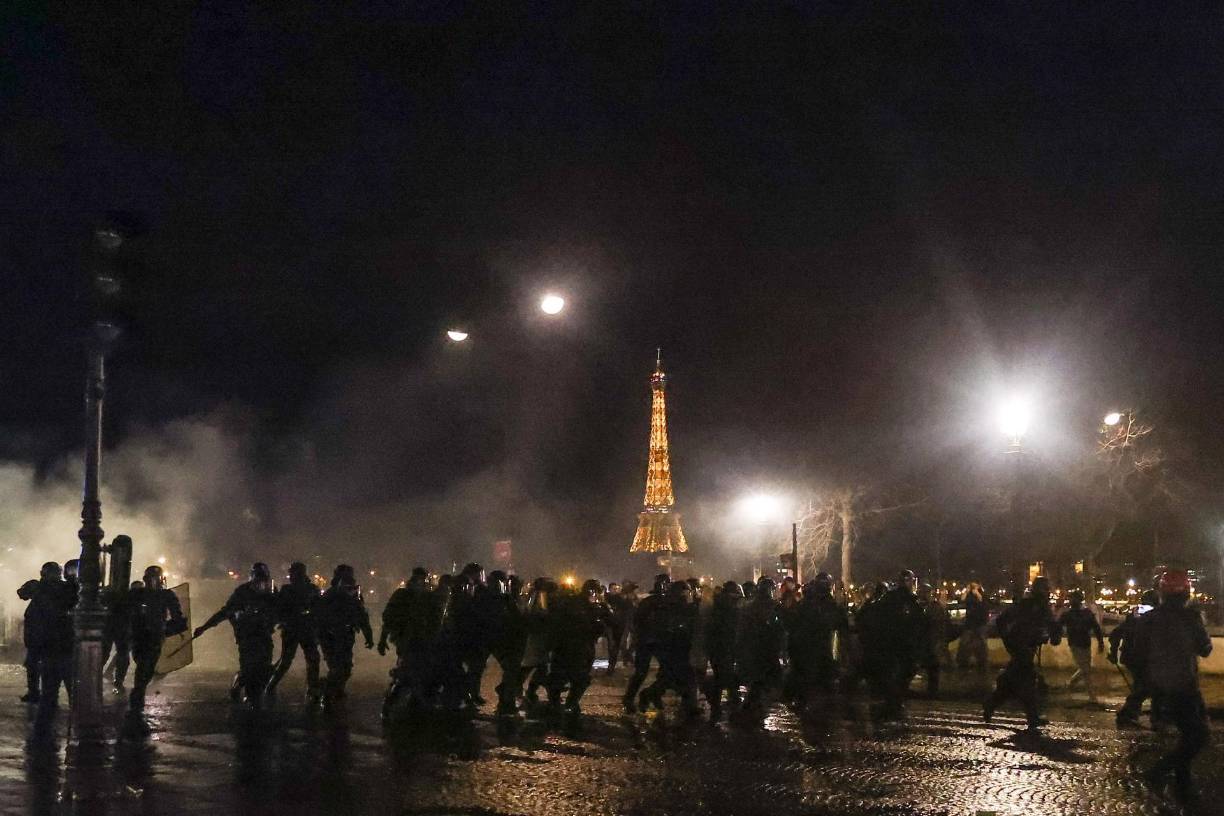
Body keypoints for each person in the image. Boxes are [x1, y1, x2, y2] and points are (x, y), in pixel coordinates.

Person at [1136, 570, 1212, 801]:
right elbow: (1205, 649)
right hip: (1185, 686)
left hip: (1159, 687)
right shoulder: (1191, 617)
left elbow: (1137, 652)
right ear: (1187, 592)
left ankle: (1183, 779)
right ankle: (1158, 771)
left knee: (1188, 732)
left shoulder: (1149, 618)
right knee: (1198, 735)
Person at [195, 562, 279, 708]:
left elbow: (280, 610)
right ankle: (243, 689)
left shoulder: (271, 592)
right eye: (258, 579)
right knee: (248, 668)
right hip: (246, 635)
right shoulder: (242, 592)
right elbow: (226, 611)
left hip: (263, 635)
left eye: (263, 579)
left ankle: (256, 695)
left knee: (265, 667)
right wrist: (205, 627)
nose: (260, 583)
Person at [983, 576, 1060, 729]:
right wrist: (1010, 641)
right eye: (1045, 588)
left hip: (1024, 647)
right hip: (1021, 648)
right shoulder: (1030, 605)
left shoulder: (1034, 604)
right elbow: (1002, 621)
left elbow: (1049, 625)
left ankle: (992, 704)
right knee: (1026, 681)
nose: (1047, 592)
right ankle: (1031, 717)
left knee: (1014, 681)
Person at [380, 567, 445, 716]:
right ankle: (393, 702)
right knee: (408, 673)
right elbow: (389, 617)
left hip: (424, 641)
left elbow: (437, 619)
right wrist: (383, 640)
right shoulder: (402, 595)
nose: (421, 583)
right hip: (408, 641)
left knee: (420, 672)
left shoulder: (428, 597)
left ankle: (415, 702)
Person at [546, 579, 611, 717]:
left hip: (573, 645)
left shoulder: (576, 603)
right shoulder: (582, 605)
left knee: (564, 676)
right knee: (577, 678)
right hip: (576, 646)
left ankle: (560, 703)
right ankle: (566, 704)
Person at [868, 570, 927, 717]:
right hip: (903, 643)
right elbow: (919, 622)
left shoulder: (890, 598)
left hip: (892, 643)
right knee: (903, 673)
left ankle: (893, 699)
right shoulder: (908, 600)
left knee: (895, 673)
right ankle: (894, 700)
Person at [785, 573, 850, 706]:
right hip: (820, 654)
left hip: (813, 654)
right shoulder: (829, 606)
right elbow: (842, 628)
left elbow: (794, 627)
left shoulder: (808, 605)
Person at [17, 562, 76, 706]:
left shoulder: (62, 587)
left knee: (49, 668)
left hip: (49, 636)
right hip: (41, 635)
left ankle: (46, 697)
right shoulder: (42, 586)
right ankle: (37, 694)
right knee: (34, 665)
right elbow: (22, 593)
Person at [128, 565, 187, 710]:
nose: (152, 582)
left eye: (155, 579)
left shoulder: (167, 595)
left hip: (155, 636)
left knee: (146, 666)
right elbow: (125, 610)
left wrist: (166, 629)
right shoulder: (137, 594)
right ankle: (138, 692)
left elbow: (177, 617)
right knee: (143, 664)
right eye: (150, 579)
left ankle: (138, 692)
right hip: (139, 634)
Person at [315, 564, 374, 703]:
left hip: (345, 635)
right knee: (336, 667)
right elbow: (320, 616)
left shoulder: (353, 594)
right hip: (330, 636)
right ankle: (327, 695)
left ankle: (335, 690)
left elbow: (361, 615)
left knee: (345, 668)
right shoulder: (331, 594)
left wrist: (368, 635)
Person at [639, 580, 699, 714]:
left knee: (670, 678)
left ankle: (651, 694)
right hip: (674, 648)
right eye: (688, 592)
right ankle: (690, 706)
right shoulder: (675, 607)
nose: (690, 594)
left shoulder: (671, 605)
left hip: (675, 647)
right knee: (682, 677)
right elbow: (677, 626)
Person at [265, 562, 322, 702]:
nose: (291, 576)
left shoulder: (309, 589)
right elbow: (279, 608)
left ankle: (312, 688)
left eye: (293, 573)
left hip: (305, 628)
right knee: (287, 660)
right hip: (293, 628)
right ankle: (270, 686)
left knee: (312, 659)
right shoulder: (288, 590)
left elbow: (319, 608)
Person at [623, 574, 670, 712]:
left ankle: (640, 696)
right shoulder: (656, 602)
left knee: (647, 672)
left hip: (649, 640)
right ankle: (635, 697)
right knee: (648, 671)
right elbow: (639, 621)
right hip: (651, 640)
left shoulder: (649, 601)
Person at [738, 577, 786, 714]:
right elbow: (780, 628)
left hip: (753, 649)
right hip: (767, 649)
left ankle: (753, 708)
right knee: (764, 682)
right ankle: (750, 710)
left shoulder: (748, 606)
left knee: (758, 681)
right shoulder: (773, 606)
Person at [704, 581, 743, 721]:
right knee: (724, 677)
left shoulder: (717, 605)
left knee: (721, 676)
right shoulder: (729, 608)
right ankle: (723, 708)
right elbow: (733, 630)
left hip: (716, 648)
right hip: (725, 647)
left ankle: (718, 707)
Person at [1057, 589, 1104, 699]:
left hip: (1082, 643)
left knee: (1085, 668)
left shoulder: (1074, 614)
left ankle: (1070, 683)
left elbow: (1096, 628)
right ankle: (1091, 695)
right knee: (1086, 669)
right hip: (1077, 644)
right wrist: (1100, 642)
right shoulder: (1081, 614)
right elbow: (1096, 628)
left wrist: (1100, 642)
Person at [102, 579, 140, 695]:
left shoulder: (118, 596)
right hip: (121, 629)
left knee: (119, 655)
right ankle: (117, 681)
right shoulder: (131, 599)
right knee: (119, 655)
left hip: (116, 628)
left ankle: (115, 679)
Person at [957, 582, 989, 672]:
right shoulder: (969, 595)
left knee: (981, 642)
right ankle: (964, 661)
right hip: (970, 623)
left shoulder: (981, 594)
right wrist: (966, 591)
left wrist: (977, 592)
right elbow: (961, 600)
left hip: (980, 623)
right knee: (966, 642)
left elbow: (983, 601)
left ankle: (982, 661)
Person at [605, 582, 636, 673]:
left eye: (616, 588)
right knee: (612, 645)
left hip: (619, 625)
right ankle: (612, 665)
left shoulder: (620, 599)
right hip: (610, 625)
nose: (615, 590)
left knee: (619, 644)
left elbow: (628, 609)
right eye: (613, 589)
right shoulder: (606, 599)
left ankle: (615, 663)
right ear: (609, 589)